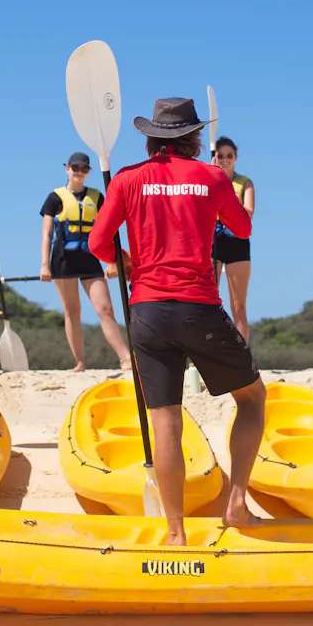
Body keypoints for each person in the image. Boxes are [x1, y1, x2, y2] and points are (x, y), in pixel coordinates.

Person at [89, 97, 265, 547]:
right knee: (252, 399)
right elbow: (242, 229)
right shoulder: (212, 176)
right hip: (197, 307)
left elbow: (97, 243)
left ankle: (175, 532)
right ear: (195, 137)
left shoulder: (128, 179)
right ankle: (237, 505)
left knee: (165, 419)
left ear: (151, 138)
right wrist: (215, 190)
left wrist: (124, 258)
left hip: (146, 312)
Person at [39, 152, 133, 372]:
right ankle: (79, 363)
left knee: (105, 308)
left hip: (91, 259)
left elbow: (110, 230)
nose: (79, 172)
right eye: (75, 168)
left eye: (83, 169)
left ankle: (126, 358)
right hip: (62, 260)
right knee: (72, 311)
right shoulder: (55, 198)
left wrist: (112, 262)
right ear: (67, 169)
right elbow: (46, 234)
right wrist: (44, 264)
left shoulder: (97, 197)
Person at [210, 136, 254, 342]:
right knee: (209, 302)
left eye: (230, 156)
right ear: (215, 157)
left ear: (236, 158)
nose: (225, 159)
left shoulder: (245, 183)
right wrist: (211, 176)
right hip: (212, 243)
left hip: (237, 242)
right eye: (221, 156)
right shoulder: (207, 178)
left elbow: (249, 212)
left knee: (239, 305)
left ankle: (243, 354)